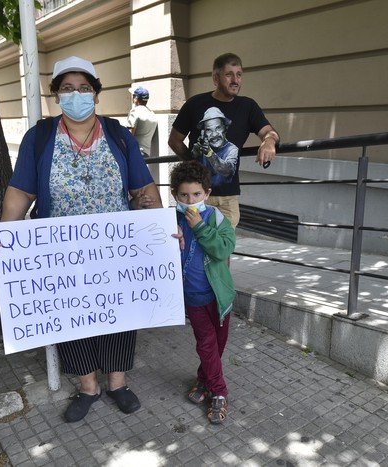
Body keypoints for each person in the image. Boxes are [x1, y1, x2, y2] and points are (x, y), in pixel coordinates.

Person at [0, 56, 162, 423]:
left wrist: (159, 234)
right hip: (62, 256)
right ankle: (88, 387)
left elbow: (143, 188)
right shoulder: (40, 137)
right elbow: (20, 192)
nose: (75, 95)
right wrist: (2, 233)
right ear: (56, 96)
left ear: (96, 95)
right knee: (70, 319)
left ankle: (117, 383)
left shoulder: (117, 134)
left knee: (119, 315)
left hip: (116, 248)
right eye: (67, 89)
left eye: (83, 88)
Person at [168, 52, 280, 228]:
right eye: (229, 75)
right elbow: (174, 140)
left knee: (222, 250)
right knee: (192, 248)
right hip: (196, 195)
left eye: (239, 74)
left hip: (227, 199)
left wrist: (269, 142)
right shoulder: (195, 104)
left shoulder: (247, 107)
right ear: (215, 78)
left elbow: (268, 132)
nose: (235, 80)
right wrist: (193, 162)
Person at [171, 161, 236, 425]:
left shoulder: (216, 218)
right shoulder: (171, 220)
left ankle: (203, 380)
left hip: (220, 298)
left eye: (196, 195)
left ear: (207, 194)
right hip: (194, 299)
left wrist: (199, 227)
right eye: (184, 195)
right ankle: (219, 393)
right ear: (176, 194)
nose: (190, 200)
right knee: (206, 344)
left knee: (216, 347)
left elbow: (223, 249)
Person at [127, 86, 158, 157]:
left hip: (135, 151)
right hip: (146, 153)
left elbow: (129, 134)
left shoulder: (134, 112)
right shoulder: (152, 114)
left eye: (133, 96)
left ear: (136, 98)